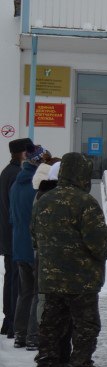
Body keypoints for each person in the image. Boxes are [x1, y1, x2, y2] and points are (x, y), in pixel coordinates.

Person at [31, 153, 107, 367]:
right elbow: (98, 244)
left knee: (51, 325)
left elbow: (34, 237)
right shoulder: (85, 203)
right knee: (85, 327)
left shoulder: (43, 200)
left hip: (50, 277)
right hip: (81, 280)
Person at [8, 144, 43, 349]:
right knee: (38, 293)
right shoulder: (37, 186)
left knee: (24, 292)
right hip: (34, 246)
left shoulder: (15, 184)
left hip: (19, 245)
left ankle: (20, 334)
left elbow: (13, 217)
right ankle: (33, 336)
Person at [2, 138, 34, 339]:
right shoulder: (17, 175)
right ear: (22, 153)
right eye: (28, 152)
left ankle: (9, 321)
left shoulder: (8, 172)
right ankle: (13, 321)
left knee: (12, 278)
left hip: (9, 235)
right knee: (17, 282)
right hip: (15, 235)